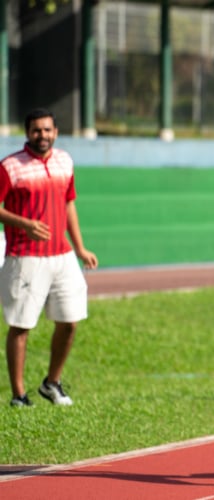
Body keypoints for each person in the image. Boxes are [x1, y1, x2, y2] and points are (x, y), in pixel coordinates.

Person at [0, 108, 99, 407]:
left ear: (56, 132)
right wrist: (25, 224)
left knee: (70, 321)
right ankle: (19, 395)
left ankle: (51, 383)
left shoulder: (65, 161)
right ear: (27, 133)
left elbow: (69, 204)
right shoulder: (10, 167)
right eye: (35, 130)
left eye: (46, 130)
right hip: (24, 257)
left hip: (63, 255)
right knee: (21, 326)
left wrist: (80, 248)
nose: (41, 135)